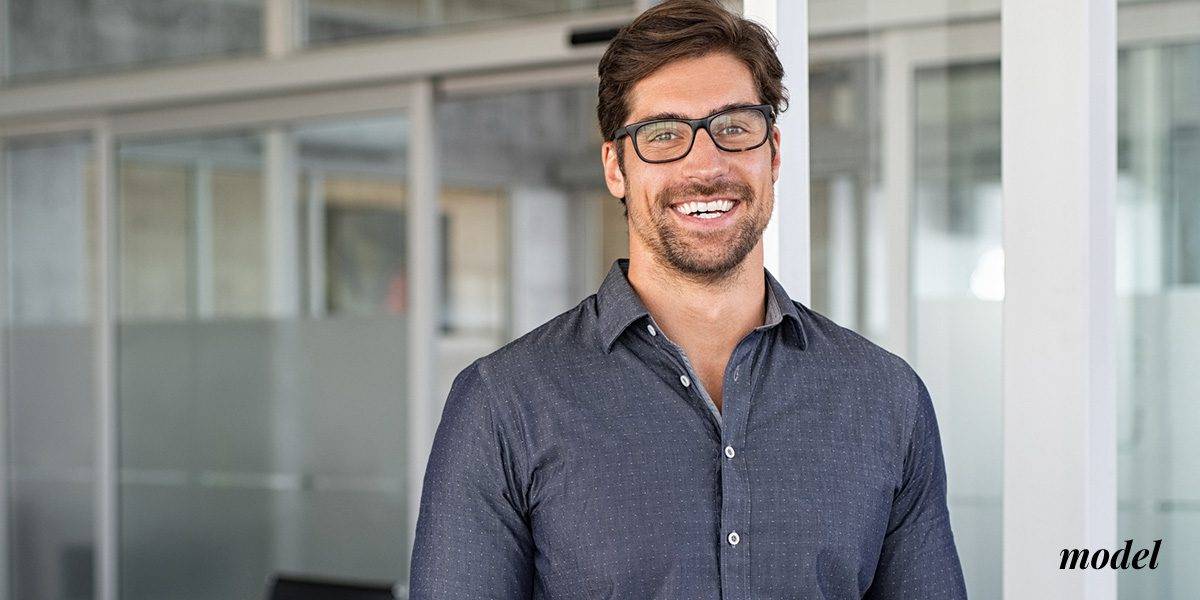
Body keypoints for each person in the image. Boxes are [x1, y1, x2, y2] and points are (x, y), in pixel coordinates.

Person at [408, 0, 967, 598]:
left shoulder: (886, 400)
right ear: (616, 167)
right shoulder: (504, 405)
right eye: (664, 134)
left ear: (773, 153)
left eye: (734, 126)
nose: (706, 163)